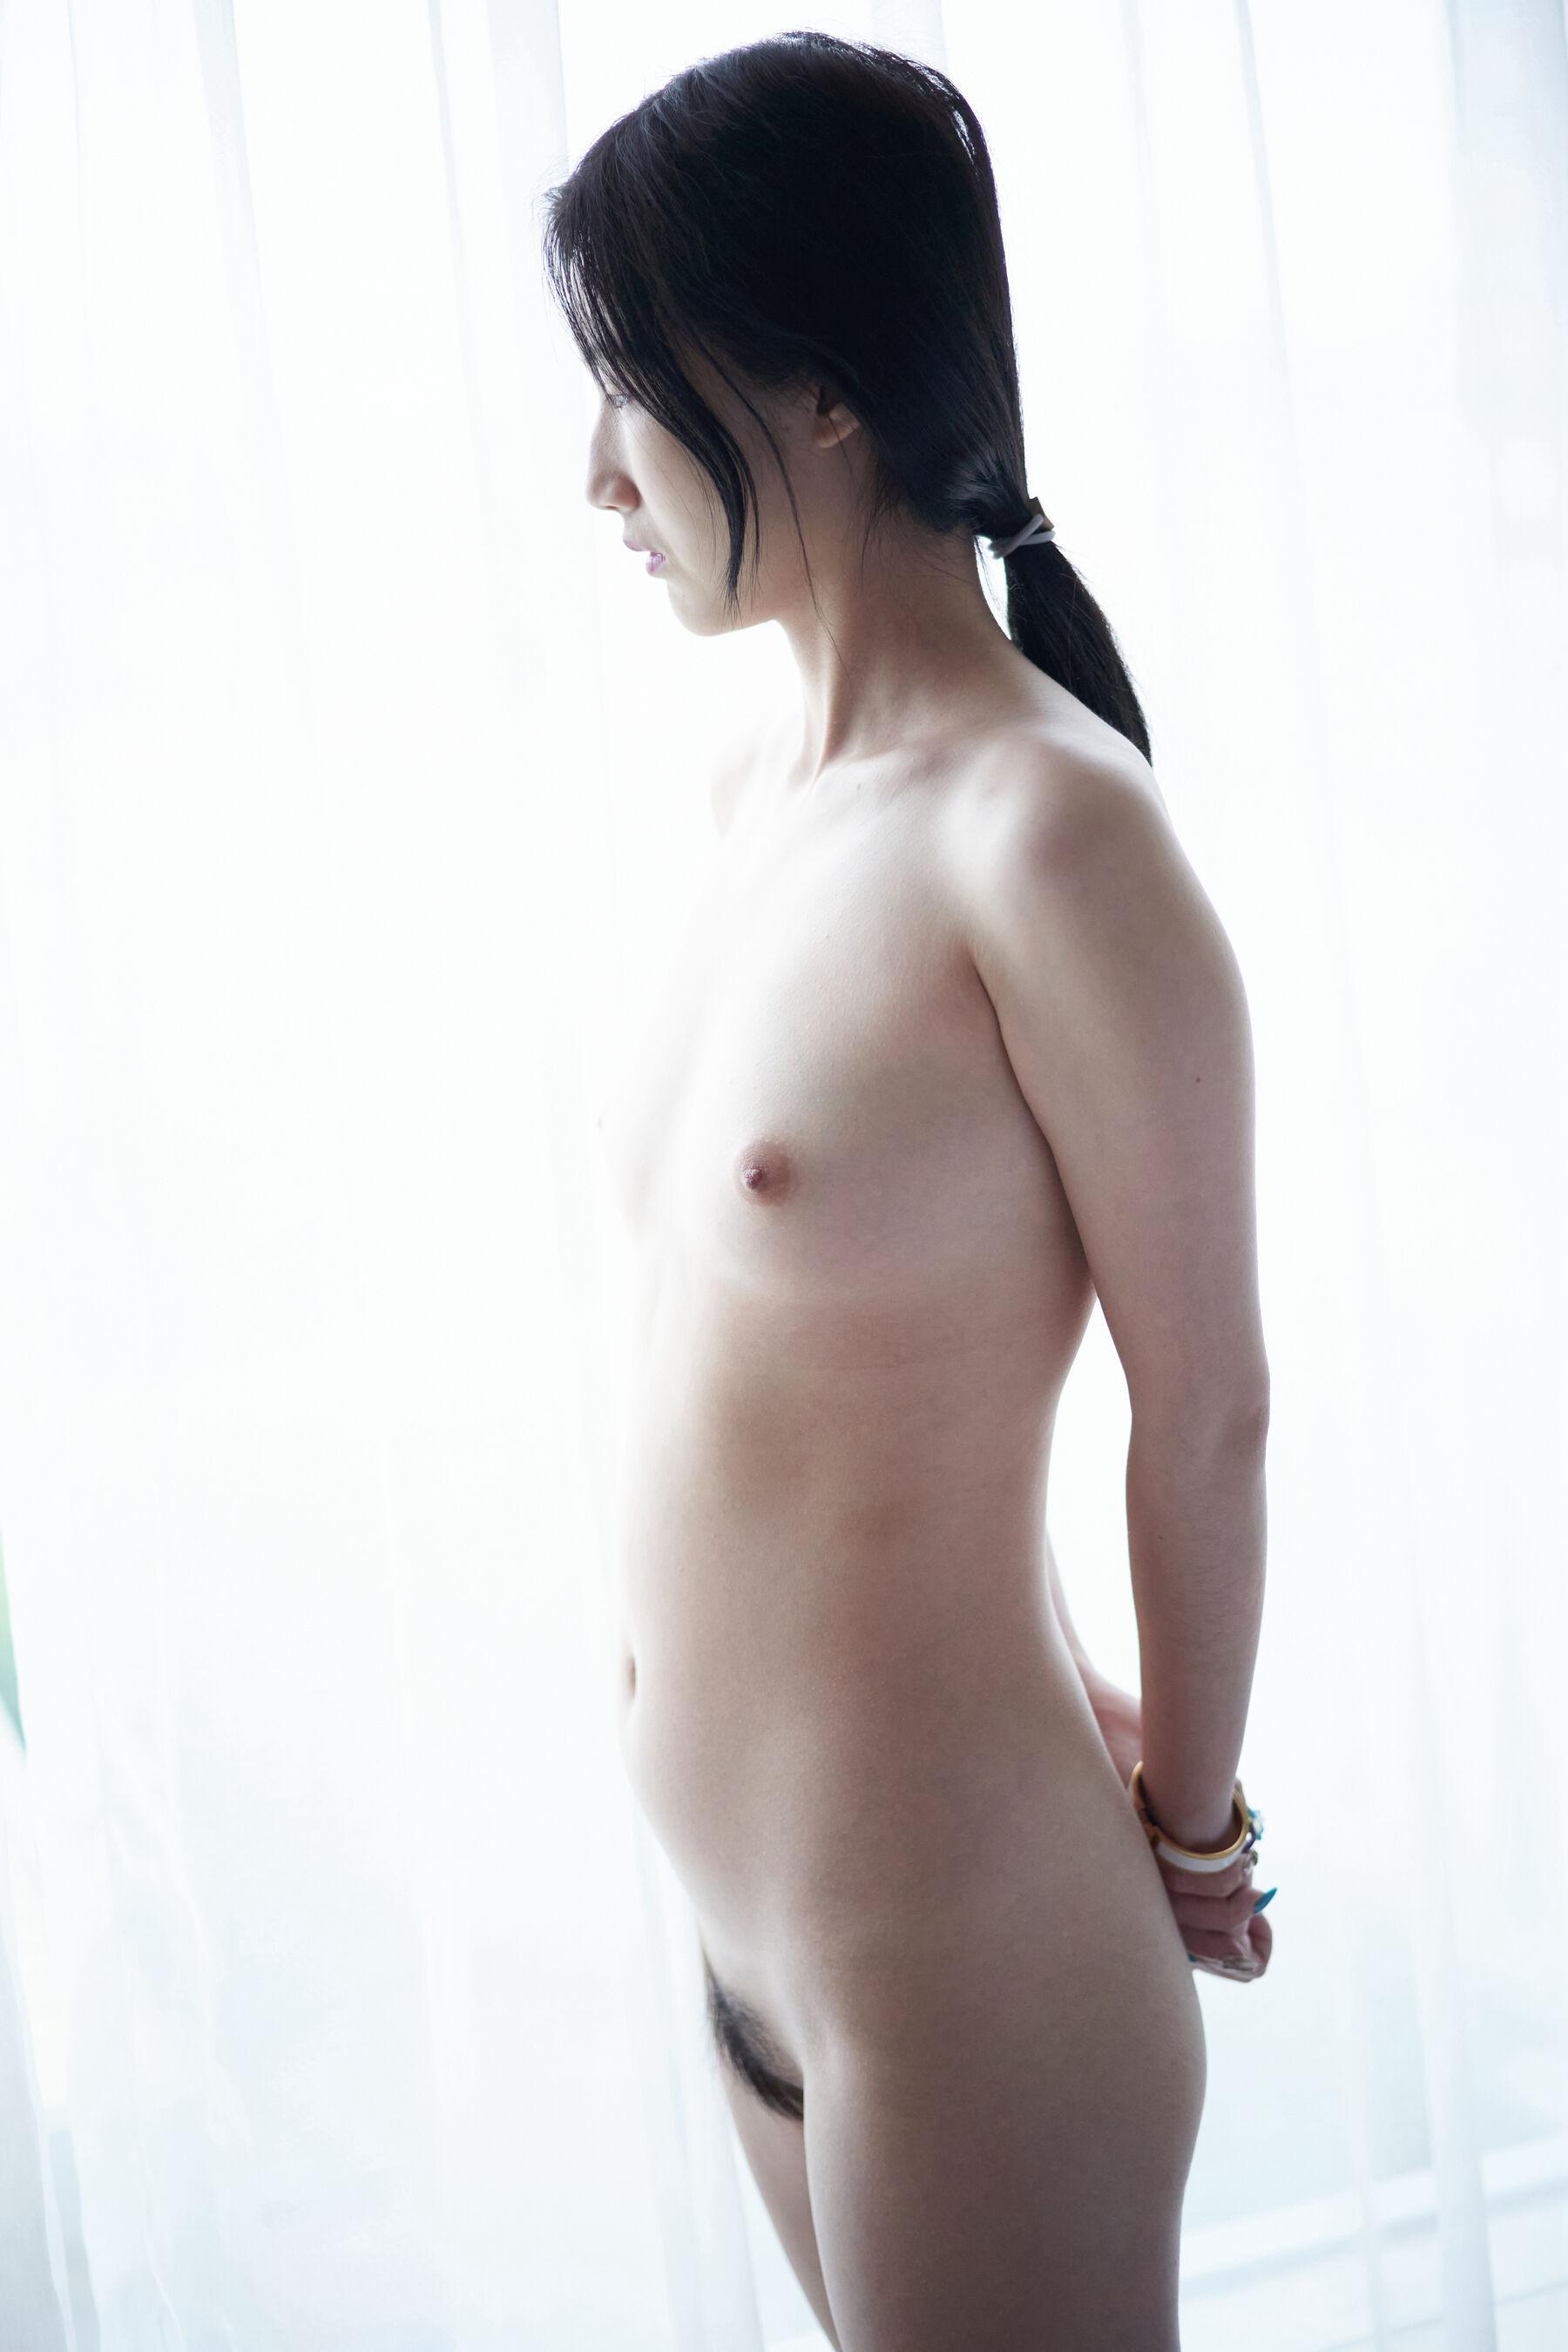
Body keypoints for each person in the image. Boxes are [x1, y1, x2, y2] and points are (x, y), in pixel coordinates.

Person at [545, 31, 1273, 2351]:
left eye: (631, 386)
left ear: (821, 393)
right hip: (753, 1943)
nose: (595, 472)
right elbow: (858, 1362)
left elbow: (1209, 1405)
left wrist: (1195, 1822)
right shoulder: (750, 798)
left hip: (967, 1975)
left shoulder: (1050, 839)